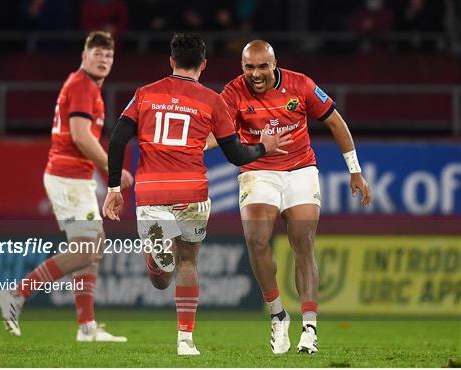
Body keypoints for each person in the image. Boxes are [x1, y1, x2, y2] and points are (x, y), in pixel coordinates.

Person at [102, 33, 291, 355]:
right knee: (188, 261)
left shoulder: (145, 95)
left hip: (152, 192)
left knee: (160, 279)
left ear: (171, 61)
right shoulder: (212, 100)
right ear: (203, 64)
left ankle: (157, 255)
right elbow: (235, 155)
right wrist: (264, 146)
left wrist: (113, 188)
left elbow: (118, 140)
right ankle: (186, 340)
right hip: (193, 192)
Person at [219, 40, 372, 354]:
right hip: (257, 170)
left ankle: (310, 327)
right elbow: (215, 134)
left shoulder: (301, 85)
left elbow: (335, 121)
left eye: (263, 66)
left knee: (302, 241)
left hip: (300, 170)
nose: (256, 74)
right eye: (249, 67)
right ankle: (277, 315)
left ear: (274, 64)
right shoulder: (233, 93)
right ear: (242, 67)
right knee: (257, 239)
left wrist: (354, 170)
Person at [0, 31, 133, 342]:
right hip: (68, 177)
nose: (104, 60)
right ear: (84, 56)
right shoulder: (83, 86)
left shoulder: (85, 86)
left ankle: (86, 327)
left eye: (108, 56)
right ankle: (16, 295)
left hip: (75, 178)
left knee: (92, 251)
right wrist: (113, 170)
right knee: (88, 249)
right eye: (97, 54)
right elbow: (81, 137)